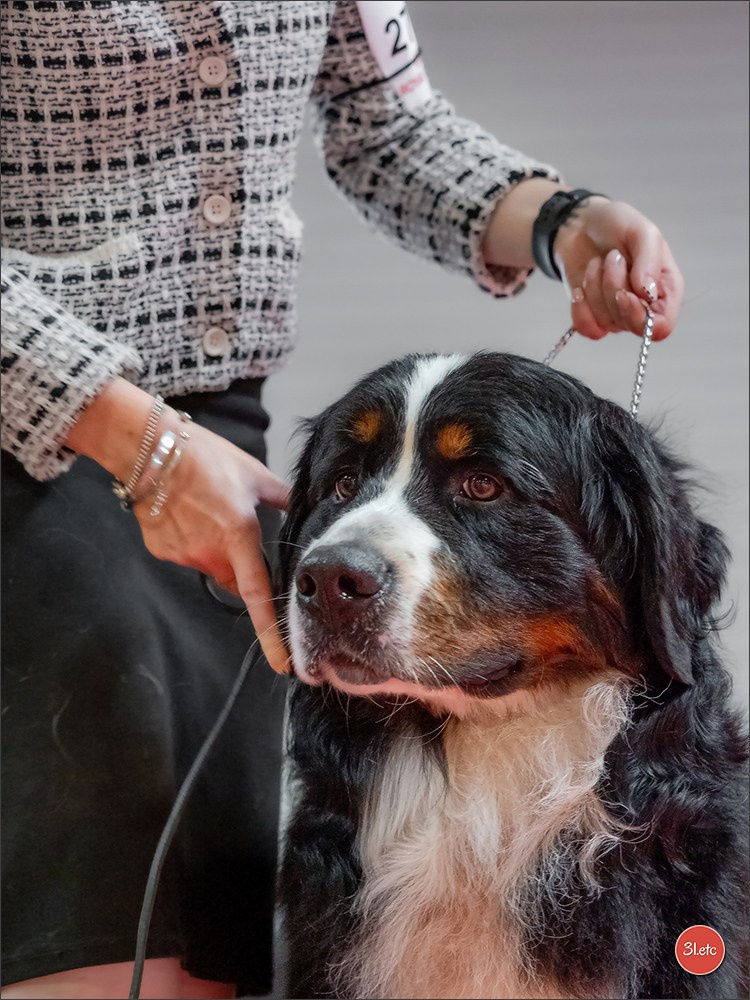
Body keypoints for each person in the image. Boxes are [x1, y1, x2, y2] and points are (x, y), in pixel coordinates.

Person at [0, 2, 684, 998]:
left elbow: (383, 120)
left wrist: (561, 222)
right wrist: (133, 436)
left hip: (219, 447)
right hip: (29, 445)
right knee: (97, 960)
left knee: (205, 961)